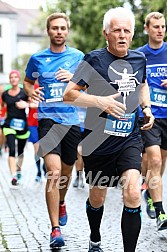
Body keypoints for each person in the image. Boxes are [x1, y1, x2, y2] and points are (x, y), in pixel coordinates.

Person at [63, 7, 154, 252]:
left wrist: (146, 107)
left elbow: (142, 85)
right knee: (97, 197)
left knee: (133, 193)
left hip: (129, 137)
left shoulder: (139, 59)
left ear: (133, 35)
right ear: (106, 33)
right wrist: (99, 101)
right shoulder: (93, 59)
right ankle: (94, 237)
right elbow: (69, 95)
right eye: (117, 30)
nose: (122, 35)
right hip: (98, 140)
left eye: (127, 31)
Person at [23, 12, 84, 249]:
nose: (58, 32)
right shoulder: (37, 58)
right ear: (48, 31)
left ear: (67, 31)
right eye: (54, 28)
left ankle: (61, 201)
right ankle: (55, 229)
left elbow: (89, 84)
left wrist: (74, 78)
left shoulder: (78, 56)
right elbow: (29, 82)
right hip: (48, 120)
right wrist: (31, 91)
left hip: (71, 121)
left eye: (62, 28)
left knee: (67, 170)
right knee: (54, 172)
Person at [137, 12, 167, 230]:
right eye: (155, 26)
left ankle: (149, 188)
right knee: (154, 160)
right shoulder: (139, 56)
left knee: (161, 162)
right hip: (150, 115)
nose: (160, 30)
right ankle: (161, 213)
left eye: (163, 26)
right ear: (147, 29)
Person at [1, 70, 30, 186]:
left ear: (18, 79)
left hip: (22, 125)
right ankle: (13, 176)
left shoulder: (24, 93)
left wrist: (26, 104)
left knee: (20, 151)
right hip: (9, 125)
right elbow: (2, 106)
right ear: (9, 79)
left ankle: (18, 170)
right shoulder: (5, 94)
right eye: (11, 77)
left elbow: (33, 104)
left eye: (15, 77)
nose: (13, 79)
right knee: (12, 149)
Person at [27, 82, 46, 182]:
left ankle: (45, 167)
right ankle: (39, 171)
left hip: (45, 121)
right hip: (33, 123)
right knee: (37, 149)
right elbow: (29, 103)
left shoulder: (47, 84)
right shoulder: (29, 86)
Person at [73, 106, 86, 188]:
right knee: (78, 154)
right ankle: (78, 175)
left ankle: (80, 175)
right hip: (76, 128)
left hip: (87, 129)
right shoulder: (73, 94)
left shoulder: (92, 95)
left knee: (83, 155)